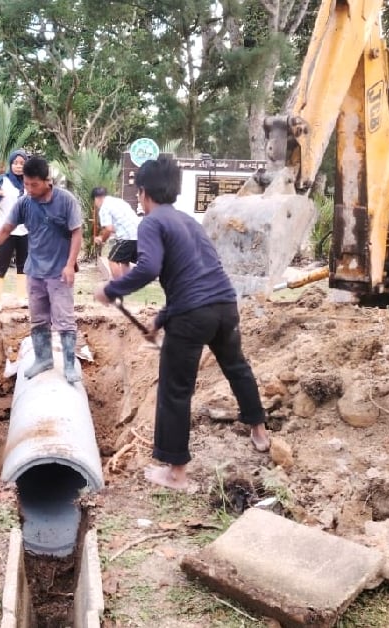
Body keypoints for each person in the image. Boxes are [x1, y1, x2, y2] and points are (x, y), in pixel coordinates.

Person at [95, 156, 269, 492]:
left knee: (175, 389)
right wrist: (159, 321)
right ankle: (259, 431)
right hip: (224, 306)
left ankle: (176, 473)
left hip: (192, 314)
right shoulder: (189, 222)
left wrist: (111, 289)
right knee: (237, 366)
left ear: (143, 193)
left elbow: (148, 268)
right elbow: (195, 278)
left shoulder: (151, 223)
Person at [0, 154, 84, 384]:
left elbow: (76, 232)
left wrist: (69, 264)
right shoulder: (24, 203)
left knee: (64, 319)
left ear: (47, 181)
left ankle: (69, 364)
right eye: (26, 184)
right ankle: (43, 358)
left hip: (59, 272)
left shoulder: (66, 201)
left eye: (34, 185)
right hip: (34, 271)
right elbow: (5, 230)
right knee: (38, 318)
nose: (30, 189)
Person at [0, 149, 31, 312]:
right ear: (10, 164)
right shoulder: (2, 181)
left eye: (22, 163)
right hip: (4, 231)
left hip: (24, 231)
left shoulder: (29, 182)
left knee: (24, 266)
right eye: (15, 163)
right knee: (1, 266)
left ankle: (21, 298)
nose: (18, 166)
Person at [92, 187, 141, 279]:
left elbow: (109, 229)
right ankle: (126, 284)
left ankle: (118, 287)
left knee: (112, 260)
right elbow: (115, 226)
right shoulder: (118, 201)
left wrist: (101, 239)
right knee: (124, 261)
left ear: (96, 199)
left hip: (127, 236)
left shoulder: (104, 208)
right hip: (139, 233)